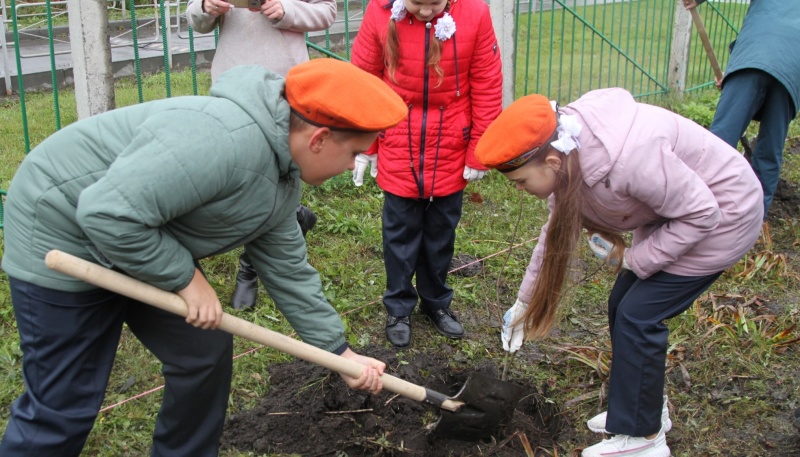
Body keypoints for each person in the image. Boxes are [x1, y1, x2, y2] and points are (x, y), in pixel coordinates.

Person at [0, 59, 407, 456]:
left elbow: (288, 270)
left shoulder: (283, 177)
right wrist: (185, 280)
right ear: (318, 139)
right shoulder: (223, 140)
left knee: (202, 355)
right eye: (355, 152)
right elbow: (106, 213)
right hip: (62, 228)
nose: (356, 164)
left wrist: (339, 354)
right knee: (65, 401)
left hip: (143, 236)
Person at [474, 89, 763, 456]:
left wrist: (634, 261)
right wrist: (524, 301)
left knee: (638, 316)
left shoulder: (630, 159)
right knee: (620, 303)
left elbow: (703, 214)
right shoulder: (571, 156)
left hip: (724, 217)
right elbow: (554, 236)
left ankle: (644, 440)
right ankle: (643, 409)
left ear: (552, 161)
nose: (518, 190)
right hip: (676, 218)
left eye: (521, 181)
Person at [349, 0, 503, 348]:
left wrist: (479, 149)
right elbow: (363, 79)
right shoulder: (379, 11)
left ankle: (436, 302)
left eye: (433, 3)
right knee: (400, 233)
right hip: (397, 136)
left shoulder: (475, 12)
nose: (425, 11)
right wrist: (366, 142)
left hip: (451, 139)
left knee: (440, 233)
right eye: (417, 3)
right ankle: (399, 307)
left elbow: (487, 81)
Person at [187, 0, 337, 309]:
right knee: (240, 176)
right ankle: (294, 216)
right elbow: (196, 20)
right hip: (232, 84)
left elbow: (327, 13)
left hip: (286, 84)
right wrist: (205, 7)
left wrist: (286, 11)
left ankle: (249, 270)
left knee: (273, 175)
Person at [684, 0, 800, 218]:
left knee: (719, 142)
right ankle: (755, 221)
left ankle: (695, 208)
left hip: (753, 55)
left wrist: (737, 74)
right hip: (793, 71)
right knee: (769, 151)